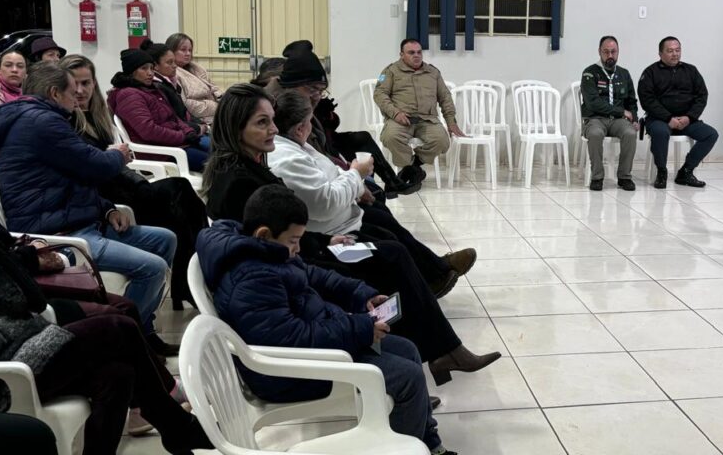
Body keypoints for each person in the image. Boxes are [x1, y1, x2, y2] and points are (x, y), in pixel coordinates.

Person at [204, 85, 498, 378]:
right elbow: (270, 244)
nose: (273, 128)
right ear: (236, 127)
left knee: (388, 245)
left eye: (272, 119)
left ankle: (428, 353)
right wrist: (322, 243)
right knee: (390, 257)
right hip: (294, 269)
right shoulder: (240, 180)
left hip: (300, 253)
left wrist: (325, 238)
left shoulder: (251, 163)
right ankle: (431, 355)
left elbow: (278, 233)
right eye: (262, 122)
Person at [199, 186, 458, 455]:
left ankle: (427, 442)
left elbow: (312, 275)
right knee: (408, 378)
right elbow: (290, 340)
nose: (298, 249)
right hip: (288, 371)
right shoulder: (253, 279)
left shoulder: (263, 251)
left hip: (312, 348)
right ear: (264, 233)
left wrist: (360, 294)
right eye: (293, 241)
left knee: (408, 349)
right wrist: (360, 328)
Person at [0, 62, 178, 356]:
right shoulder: (42, 123)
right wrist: (119, 155)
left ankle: (144, 328)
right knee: (151, 268)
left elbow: (76, 178)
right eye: (71, 89)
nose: (77, 94)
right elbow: (96, 166)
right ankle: (129, 341)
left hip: (80, 221)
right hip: (58, 233)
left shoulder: (40, 119)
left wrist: (106, 209)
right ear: (55, 93)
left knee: (164, 238)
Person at [0, 233, 211, 455]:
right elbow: (30, 296)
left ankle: (175, 428)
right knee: (120, 327)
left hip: (24, 342)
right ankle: (176, 427)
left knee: (118, 375)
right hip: (6, 370)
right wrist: (21, 255)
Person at [268, 90, 477, 294]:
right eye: (310, 122)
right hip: (333, 230)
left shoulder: (298, 145)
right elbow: (325, 200)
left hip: (344, 213)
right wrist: (356, 175)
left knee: (381, 214)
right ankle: (429, 278)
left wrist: (357, 183)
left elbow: (333, 170)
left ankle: (435, 269)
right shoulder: (289, 159)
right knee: (389, 240)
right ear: (299, 128)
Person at [62, 53, 210, 311]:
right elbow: (103, 166)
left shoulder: (96, 116)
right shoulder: (66, 122)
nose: (80, 90)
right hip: (109, 200)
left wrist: (190, 130)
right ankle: (191, 281)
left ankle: (192, 280)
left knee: (185, 203)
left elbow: (114, 163)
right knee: (181, 198)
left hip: (118, 189)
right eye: (75, 83)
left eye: (87, 83)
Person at [268, 43, 419, 195]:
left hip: (324, 148)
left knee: (362, 139)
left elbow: (326, 130)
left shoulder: (429, 72)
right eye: (312, 89)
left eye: (321, 90)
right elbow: (315, 150)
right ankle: (376, 185)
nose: (317, 96)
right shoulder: (280, 107)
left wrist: (327, 114)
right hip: (318, 161)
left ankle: (389, 182)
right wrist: (349, 171)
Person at [374, 38, 464, 184]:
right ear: (401, 54)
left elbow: (445, 97)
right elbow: (379, 94)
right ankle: (411, 170)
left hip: (427, 120)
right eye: (411, 52)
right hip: (401, 119)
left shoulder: (433, 72)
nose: (416, 55)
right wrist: (395, 113)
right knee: (390, 137)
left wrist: (451, 121)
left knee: (441, 141)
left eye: (419, 52)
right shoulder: (390, 71)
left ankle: (412, 168)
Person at [107, 48, 210, 171]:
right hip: (161, 154)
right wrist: (182, 137)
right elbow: (149, 131)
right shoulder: (129, 95)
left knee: (223, 155)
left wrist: (189, 132)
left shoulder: (151, 90)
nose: (150, 73)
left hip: (176, 145)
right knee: (218, 165)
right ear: (131, 71)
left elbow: (174, 118)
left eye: (151, 68)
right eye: (144, 68)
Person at [638, 36, 719, 188]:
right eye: (670, 51)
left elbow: (702, 96)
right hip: (660, 120)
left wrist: (689, 117)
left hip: (686, 120)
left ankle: (686, 171)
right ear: (660, 54)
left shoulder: (691, 71)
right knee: (660, 133)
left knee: (711, 134)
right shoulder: (650, 72)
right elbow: (647, 100)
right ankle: (661, 171)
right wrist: (668, 118)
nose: (675, 54)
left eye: (677, 50)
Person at [580, 36, 639, 191]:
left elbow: (632, 101)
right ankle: (597, 177)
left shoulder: (624, 74)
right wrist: (621, 111)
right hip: (595, 119)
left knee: (630, 133)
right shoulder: (590, 73)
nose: (610, 55)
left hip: (618, 121)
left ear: (618, 52)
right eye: (606, 52)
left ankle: (624, 177)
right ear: (599, 52)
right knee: (595, 134)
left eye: (613, 52)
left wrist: (634, 118)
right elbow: (594, 103)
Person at [142, 39, 208, 136]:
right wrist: (198, 128)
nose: (175, 66)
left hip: (193, 126)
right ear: (155, 66)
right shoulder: (159, 87)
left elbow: (184, 112)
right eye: (169, 63)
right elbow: (174, 119)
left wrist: (202, 125)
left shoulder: (170, 82)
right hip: (183, 134)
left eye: (190, 50)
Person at [165, 32, 222, 125]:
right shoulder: (172, 74)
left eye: (190, 50)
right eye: (183, 50)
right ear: (171, 51)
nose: (188, 53)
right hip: (197, 121)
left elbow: (214, 87)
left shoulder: (197, 69)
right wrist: (216, 107)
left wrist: (224, 99)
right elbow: (185, 104)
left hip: (214, 113)